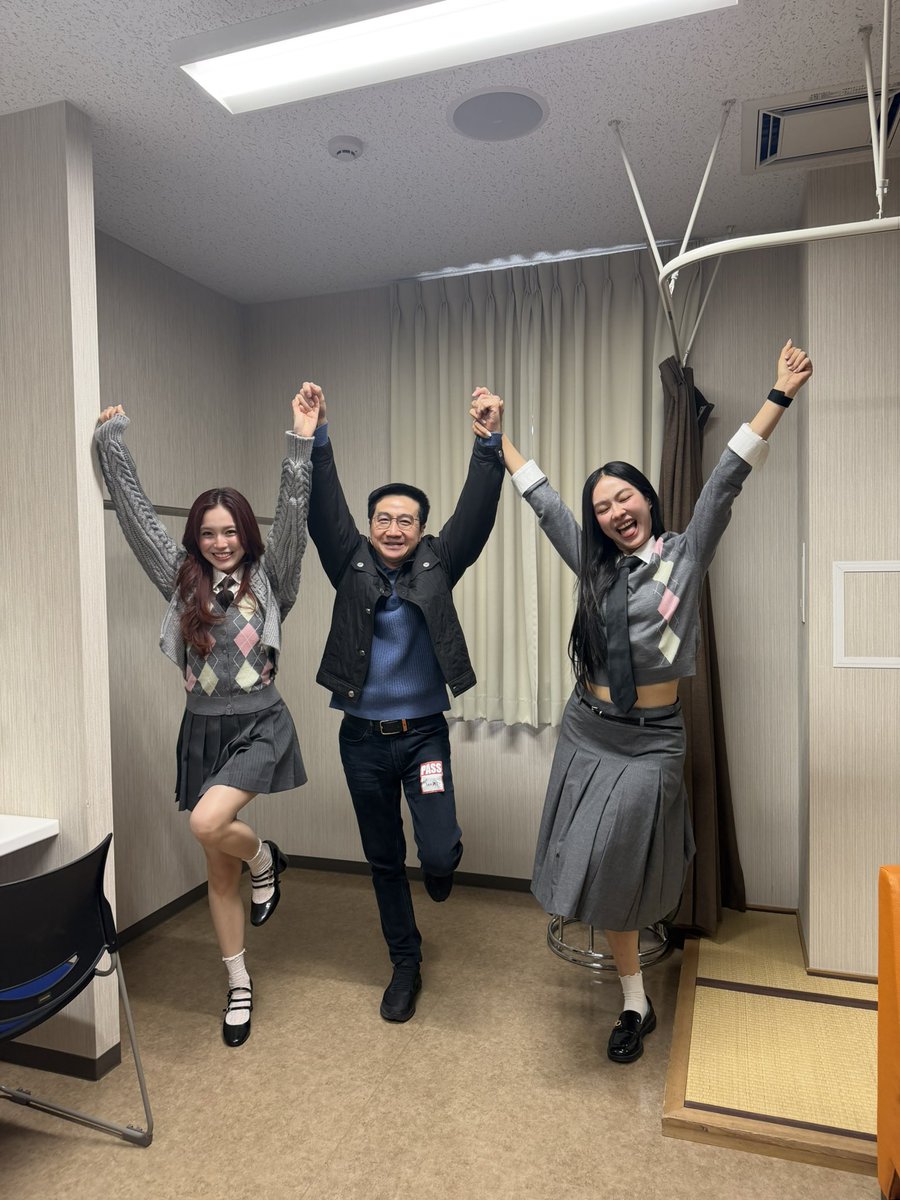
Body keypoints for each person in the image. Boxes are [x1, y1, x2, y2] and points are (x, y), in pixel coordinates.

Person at [474, 340, 813, 1063]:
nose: (612, 511)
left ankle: (633, 987)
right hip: (588, 729)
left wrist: (778, 394)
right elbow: (544, 502)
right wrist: (498, 441)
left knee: (618, 853)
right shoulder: (593, 567)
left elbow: (727, 477)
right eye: (601, 507)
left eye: (622, 497)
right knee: (581, 851)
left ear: (647, 500)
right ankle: (635, 999)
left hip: (652, 738)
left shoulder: (684, 556)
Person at [94, 391, 319, 1047]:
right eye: (209, 533)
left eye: (231, 532)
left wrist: (300, 443)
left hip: (260, 724)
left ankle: (265, 859)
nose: (221, 543)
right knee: (218, 866)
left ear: (246, 534)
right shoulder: (181, 578)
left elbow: (294, 519)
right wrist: (112, 443)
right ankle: (238, 984)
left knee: (207, 823)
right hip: (202, 730)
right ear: (196, 537)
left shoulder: (271, 579)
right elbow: (137, 517)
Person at [295, 381, 504, 1022]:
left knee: (436, 850)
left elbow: (476, 513)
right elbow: (323, 509)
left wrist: (488, 444)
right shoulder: (348, 561)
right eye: (383, 519)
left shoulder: (440, 562)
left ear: (421, 529)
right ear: (369, 527)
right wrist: (317, 437)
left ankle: (440, 866)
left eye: (405, 520)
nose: (393, 528)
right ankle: (405, 962)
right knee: (384, 859)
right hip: (361, 742)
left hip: (423, 739)